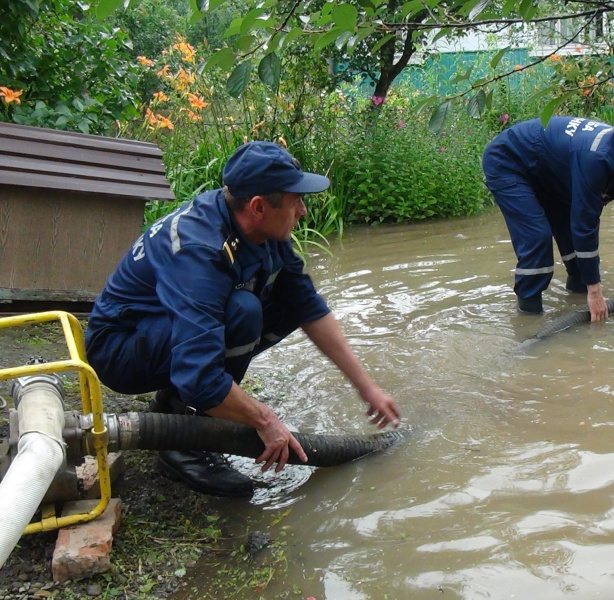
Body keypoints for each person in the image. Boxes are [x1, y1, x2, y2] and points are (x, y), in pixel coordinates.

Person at [85, 141, 401, 498]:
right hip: (118, 350)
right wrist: (264, 419)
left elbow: (307, 306)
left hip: (160, 332)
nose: (304, 211)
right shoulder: (199, 251)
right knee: (242, 312)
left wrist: (366, 388)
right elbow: (201, 377)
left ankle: (173, 407)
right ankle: (184, 445)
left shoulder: (261, 230)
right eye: (296, 200)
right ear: (258, 206)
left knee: (280, 304)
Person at [482, 114, 614, 320]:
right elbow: (585, 225)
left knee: (581, 261)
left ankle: (576, 299)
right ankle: (529, 322)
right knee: (537, 240)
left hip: (552, 172)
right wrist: (595, 292)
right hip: (510, 162)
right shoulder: (597, 159)